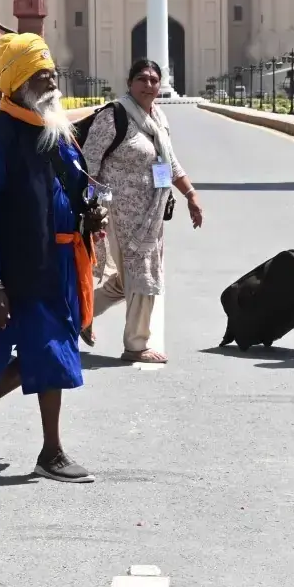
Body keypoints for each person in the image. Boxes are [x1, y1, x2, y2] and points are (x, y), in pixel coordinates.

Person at [0, 33, 106, 483]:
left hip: (58, 265)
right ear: (17, 83)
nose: (52, 81)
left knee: (48, 353)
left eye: (52, 73)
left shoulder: (56, 131)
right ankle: (50, 451)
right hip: (18, 267)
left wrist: (91, 208)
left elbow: (78, 187)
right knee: (48, 354)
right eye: (42, 75)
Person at [83, 57, 203, 364]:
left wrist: (190, 194)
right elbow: (88, 165)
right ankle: (136, 345)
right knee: (142, 277)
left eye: (153, 79)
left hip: (150, 214)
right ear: (129, 83)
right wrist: (91, 208)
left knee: (128, 280)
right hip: (117, 213)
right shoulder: (114, 116)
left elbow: (169, 163)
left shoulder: (158, 119)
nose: (148, 85)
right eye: (142, 79)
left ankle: (76, 315)